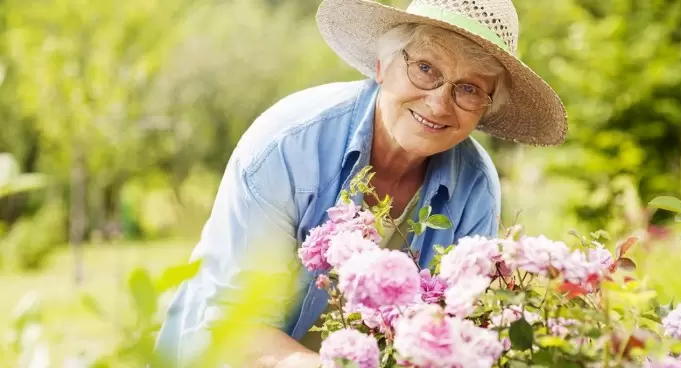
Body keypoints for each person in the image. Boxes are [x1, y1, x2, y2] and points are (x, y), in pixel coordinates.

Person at [154, 0, 567, 366]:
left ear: (485, 109)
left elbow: (453, 332)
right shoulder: (289, 145)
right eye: (426, 68)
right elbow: (237, 324)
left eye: (470, 89)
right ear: (382, 66)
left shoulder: (475, 186)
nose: (440, 103)